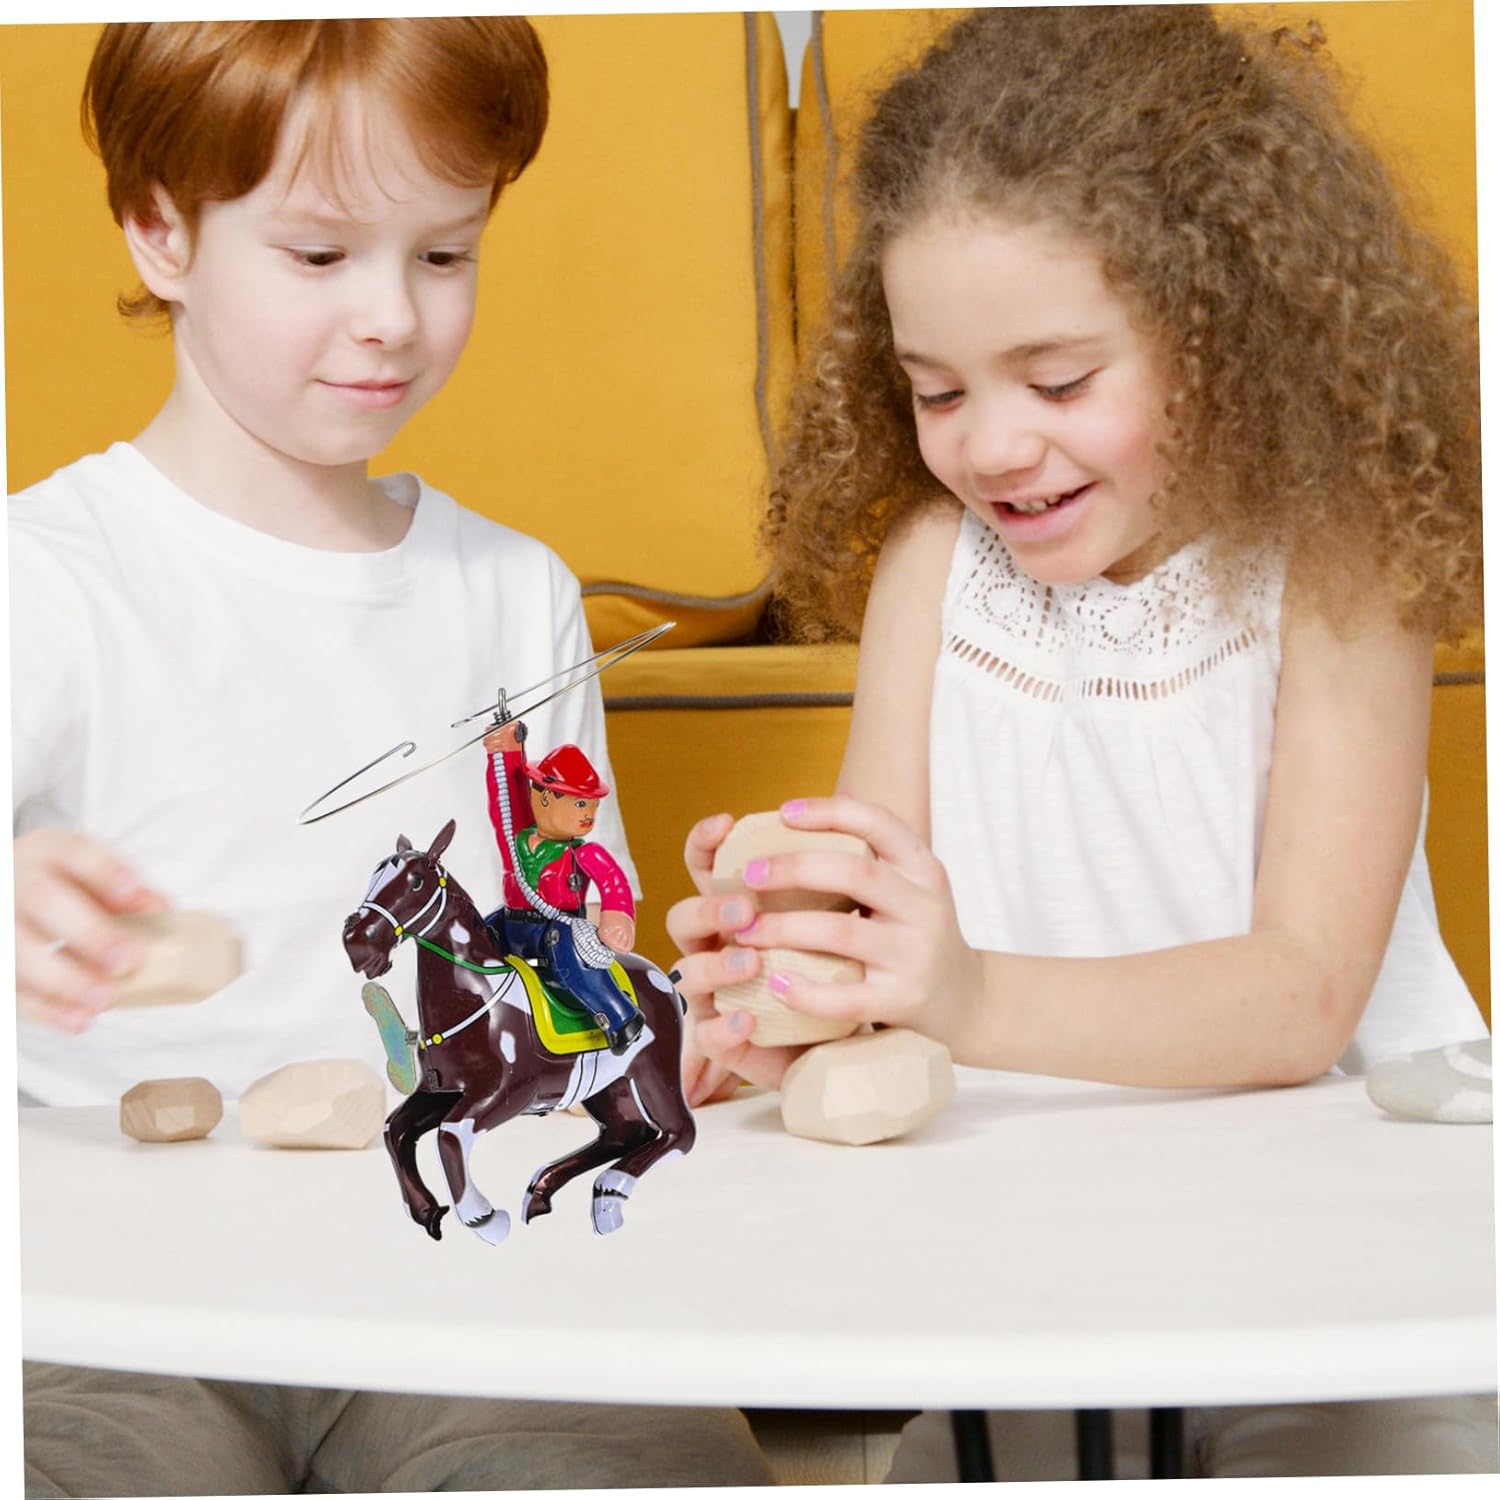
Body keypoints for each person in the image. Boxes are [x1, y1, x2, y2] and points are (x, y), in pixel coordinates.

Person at [666, 6, 1494, 1482]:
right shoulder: (937, 567)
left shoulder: (1337, 569)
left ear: (1228, 335)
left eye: (1057, 383)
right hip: (1011, 1230)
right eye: (937, 390)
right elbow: (881, 909)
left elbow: (1303, 999)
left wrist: (966, 994)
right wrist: (785, 975)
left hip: (1328, 1248)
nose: (989, 446)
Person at [11, 19, 773, 1494]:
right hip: (107, 1300)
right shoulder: (46, 578)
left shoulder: (515, 594)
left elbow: (574, 938)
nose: (392, 319)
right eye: (318, 256)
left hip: (470, 1279)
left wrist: (697, 1022)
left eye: (443, 254)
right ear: (161, 232)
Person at [481, 718, 643, 1053]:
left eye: (593, 805)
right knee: (479, 934)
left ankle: (620, 1016)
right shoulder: (518, 839)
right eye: (580, 803)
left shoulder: (583, 853)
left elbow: (612, 881)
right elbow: (506, 800)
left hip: (555, 929)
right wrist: (506, 750)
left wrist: (618, 916)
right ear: (544, 797)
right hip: (514, 925)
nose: (589, 813)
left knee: (566, 948)